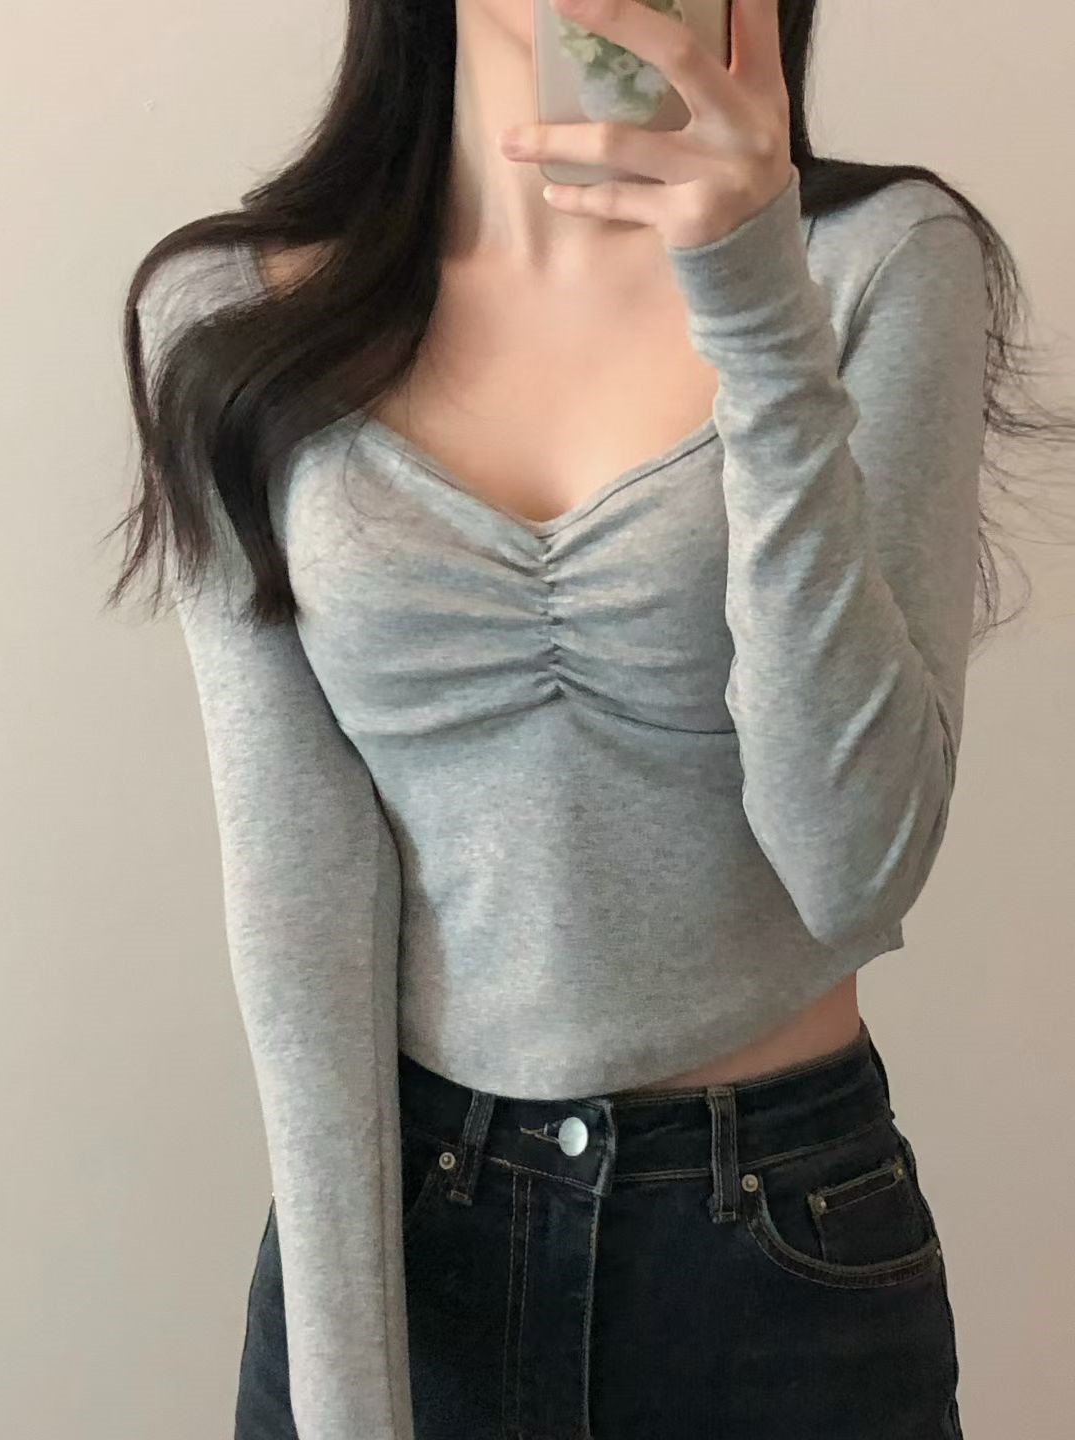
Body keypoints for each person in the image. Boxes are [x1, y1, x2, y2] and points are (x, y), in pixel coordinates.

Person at [116, 1, 1075, 1435]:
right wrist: (347, 1398)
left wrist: (753, 301)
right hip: (401, 1237)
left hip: (773, 1258)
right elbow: (298, 899)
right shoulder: (227, 316)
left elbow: (856, 869)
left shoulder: (881, 260)